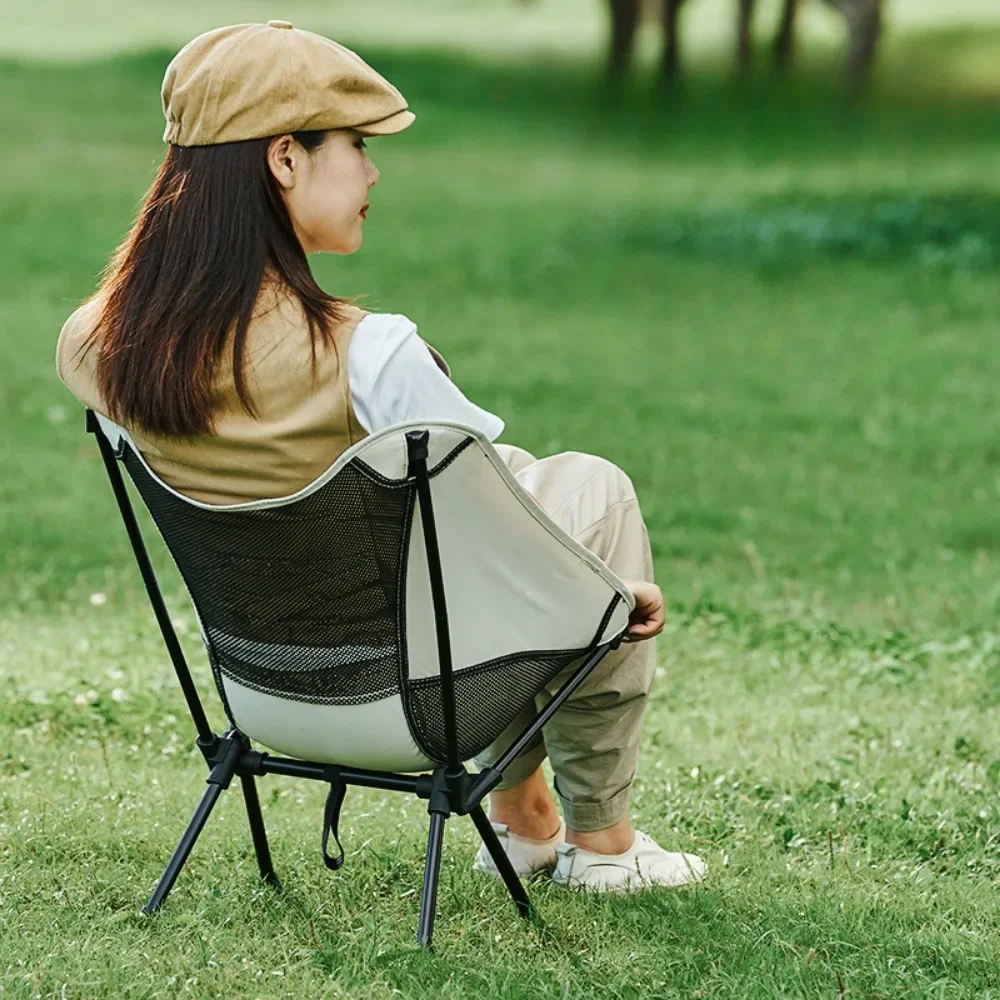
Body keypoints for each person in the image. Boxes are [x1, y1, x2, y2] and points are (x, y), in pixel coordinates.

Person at [56, 21, 706, 892]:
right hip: (414, 703)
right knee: (595, 493)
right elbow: (494, 539)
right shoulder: (372, 355)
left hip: (263, 692)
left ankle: (526, 820)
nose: (371, 171)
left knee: (535, 510)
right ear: (285, 159)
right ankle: (604, 845)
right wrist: (614, 596)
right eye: (355, 146)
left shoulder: (96, 344)